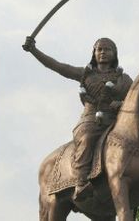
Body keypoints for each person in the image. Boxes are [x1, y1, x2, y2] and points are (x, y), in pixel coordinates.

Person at [23, 36, 132, 202]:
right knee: (87, 138)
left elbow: (135, 99)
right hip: (90, 121)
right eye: (99, 49)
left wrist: (121, 103)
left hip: (116, 121)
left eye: (107, 49)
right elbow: (57, 66)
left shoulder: (124, 79)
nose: (102, 52)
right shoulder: (85, 74)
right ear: (94, 53)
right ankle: (81, 183)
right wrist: (34, 51)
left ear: (114, 53)